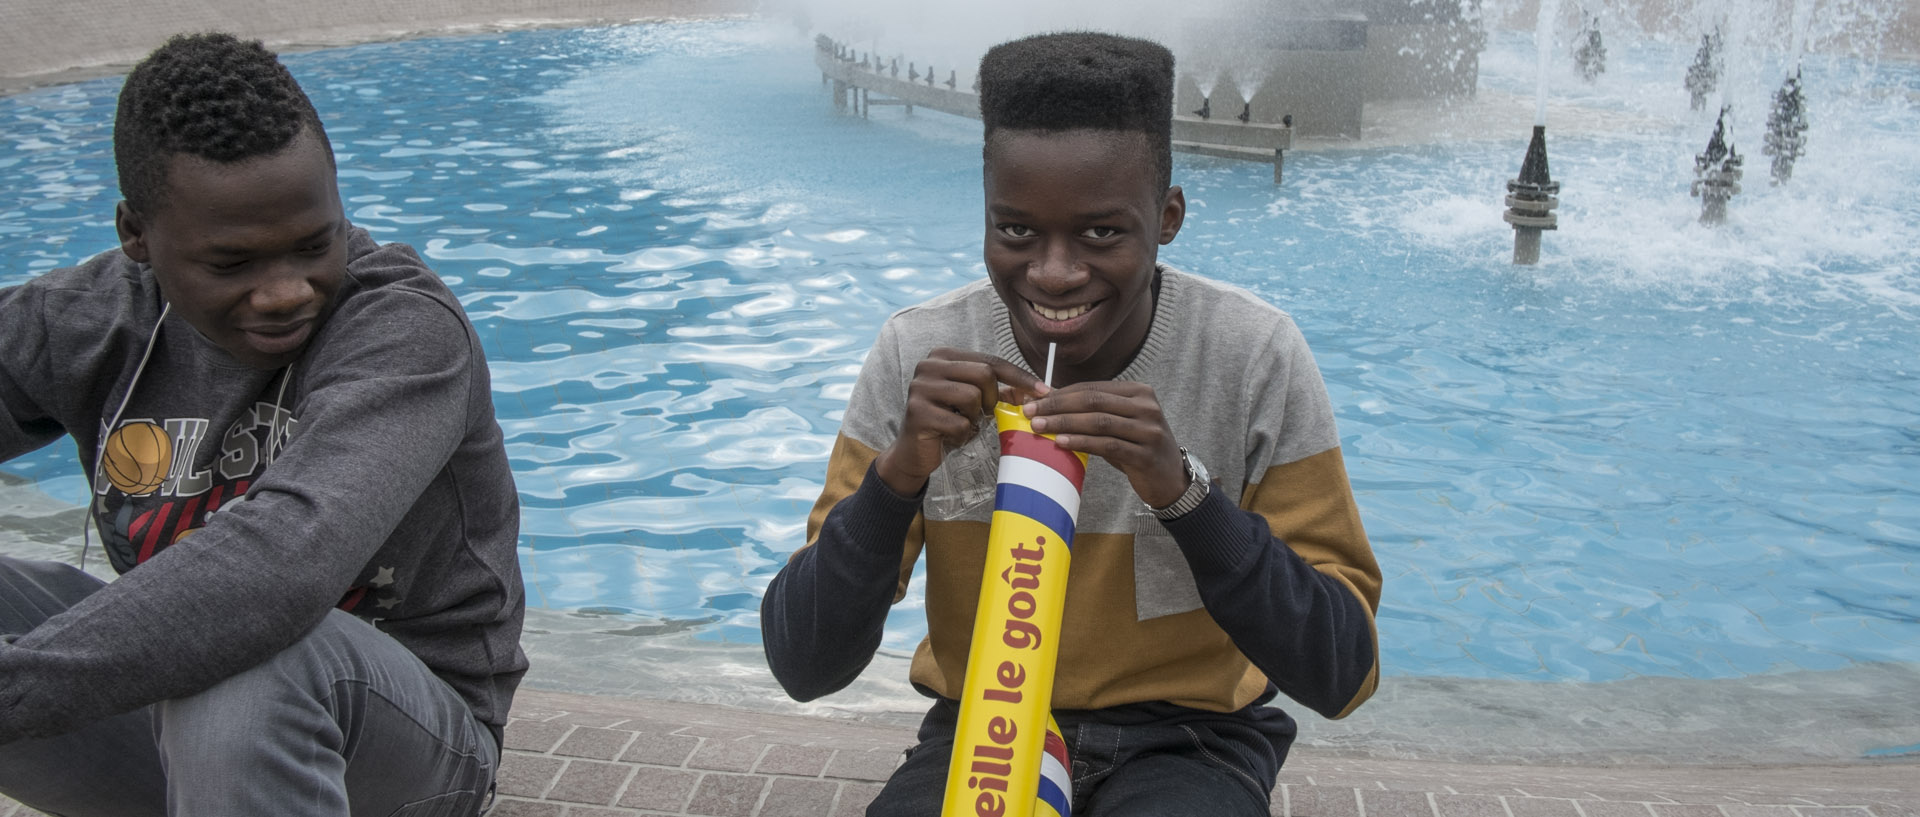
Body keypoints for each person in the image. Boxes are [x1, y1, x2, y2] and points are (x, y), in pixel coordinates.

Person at [761, 32, 1381, 815]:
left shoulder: (1253, 355)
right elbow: (802, 662)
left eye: (1102, 233)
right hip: (978, 727)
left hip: (1189, 738)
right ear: (986, 214)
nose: (1054, 272)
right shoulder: (919, 352)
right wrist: (896, 479)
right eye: (1016, 230)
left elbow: (1343, 669)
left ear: (1168, 217)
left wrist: (1186, 496)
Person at [0, 33, 525, 816]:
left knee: (249, 656)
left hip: (403, 742)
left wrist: (17, 688)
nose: (285, 291)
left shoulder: (405, 330)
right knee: (207, 658)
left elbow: (284, 566)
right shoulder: (88, 320)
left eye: (316, 245)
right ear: (136, 236)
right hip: (182, 721)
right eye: (232, 263)